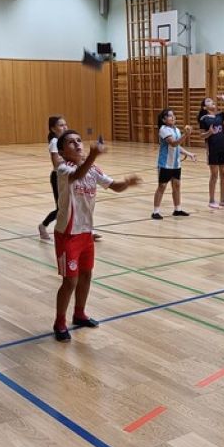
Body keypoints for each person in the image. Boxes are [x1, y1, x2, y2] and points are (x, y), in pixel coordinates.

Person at [52, 131, 141, 342]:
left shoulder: (93, 169)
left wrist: (126, 183)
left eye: (79, 140)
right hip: (68, 234)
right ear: (62, 151)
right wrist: (92, 155)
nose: (77, 144)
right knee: (70, 281)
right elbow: (77, 175)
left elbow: (113, 186)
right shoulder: (63, 169)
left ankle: (79, 314)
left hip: (86, 233)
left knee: (86, 275)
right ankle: (59, 322)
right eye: (71, 142)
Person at [152, 108, 196, 219]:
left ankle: (177, 209)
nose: (173, 117)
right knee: (162, 187)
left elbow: (178, 146)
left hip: (176, 164)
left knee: (176, 186)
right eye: (170, 116)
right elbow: (173, 143)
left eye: (173, 115)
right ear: (164, 119)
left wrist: (188, 153)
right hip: (165, 164)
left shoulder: (176, 129)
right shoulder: (163, 130)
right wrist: (186, 135)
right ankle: (155, 212)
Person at [198, 93, 224, 209]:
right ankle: (212, 200)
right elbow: (201, 135)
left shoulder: (220, 116)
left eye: (212, 100)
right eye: (208, 101)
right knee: (214, 175)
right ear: (204, 107)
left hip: (223, 148)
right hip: (212, 149)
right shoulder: (204, 119)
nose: (212, 101)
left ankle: (223, 200)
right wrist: (209, 133)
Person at [37, 116, 68, 241]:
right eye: (61, 125)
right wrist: (70, 159)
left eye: (65, 124)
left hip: (68, 175)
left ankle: (86, 231)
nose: (65, 127)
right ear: (53, 129)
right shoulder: (55, 142)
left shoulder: (65, 140)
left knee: (75, 204)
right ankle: (43, 226)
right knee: (61, 208)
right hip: (58, 177)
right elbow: (56, 164)